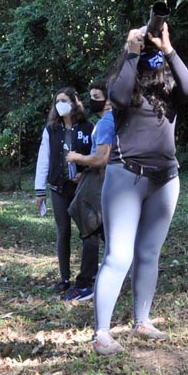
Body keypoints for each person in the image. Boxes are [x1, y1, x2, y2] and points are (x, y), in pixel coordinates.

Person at [91, 13, 188, 354]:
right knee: (118, 256)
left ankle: (142, 320)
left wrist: (168, 48)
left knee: (149, 253)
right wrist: (132, 49)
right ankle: (102, 333)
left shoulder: (170, 94)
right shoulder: (124, 85)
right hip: (126, 175)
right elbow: (119, 95)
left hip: (166, 177)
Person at [33, 88, 96, 293]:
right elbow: (44, 158)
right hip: (58, 187)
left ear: (74, 102)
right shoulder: (52, 129)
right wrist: (39, 190)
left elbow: (98, 155)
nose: (60, 104)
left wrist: (84, 172)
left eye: (64, 100)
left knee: (88, 231)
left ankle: (88, 276)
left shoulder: (89, 128)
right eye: (57, 101)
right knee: (63, 232)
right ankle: (64, 278)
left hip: (82, 188)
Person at [64, 81, 114, 302]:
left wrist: (78, 158)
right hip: (95, 177)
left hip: (100, 179)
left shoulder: (106, 123)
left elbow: (101, 158)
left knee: (90, 227)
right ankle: (110, 273)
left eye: (96, 97)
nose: (92, 101)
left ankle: (86, 283)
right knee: (103, 230)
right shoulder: (107, 121)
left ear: (109, 100)